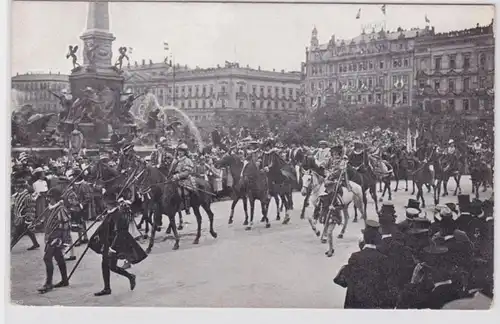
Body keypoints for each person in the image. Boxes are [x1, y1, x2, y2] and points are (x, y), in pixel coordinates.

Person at [90, 189, 146, 296]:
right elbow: (105, 227)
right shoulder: (110, 213)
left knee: (110, 266)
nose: (104, 204)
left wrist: (112, 248)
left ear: (108, 204)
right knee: (107, 265)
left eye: (105, 203)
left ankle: (128, 278)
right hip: (108, 243)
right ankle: (109, 287)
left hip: (115, 245)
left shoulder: (118, 215)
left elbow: (120, 233)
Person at [334, 220, 390, 308]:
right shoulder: (383, 258)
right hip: (374, 304)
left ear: (364, 239)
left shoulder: (355, 257)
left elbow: (344, 281)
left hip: (355, 303)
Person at [38, 188, 71, 294]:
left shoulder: (61, 209)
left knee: (47, 258)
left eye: (50, 197)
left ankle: (48, 283)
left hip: (56, 238)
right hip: (50, 237)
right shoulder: (50, 208)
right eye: (48, 197)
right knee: (59, 257)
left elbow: (66, 225)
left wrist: (64, 240)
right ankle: (64, 280)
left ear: (56, 198)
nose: (48, 199)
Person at [11, 177, 40, 251]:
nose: (15, 188)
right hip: (18, 217)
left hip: (24, 218)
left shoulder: (27, 197)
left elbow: (31, 209)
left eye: (16, 187)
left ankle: (9, 247)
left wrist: (28, 221)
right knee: (28, 231)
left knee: (16, 234)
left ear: (21, 188)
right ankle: (35, 243)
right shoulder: (17, 195)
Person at [170, 143, 196, 215]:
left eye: (182, 151)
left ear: (185, 152)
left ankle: (187, 207)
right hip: (174, 179)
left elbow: (187, 172)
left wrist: (178, 176)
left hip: (185, 179)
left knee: (185, 192)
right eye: (179, 151)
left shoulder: (187, 160)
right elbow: (171, 170)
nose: (180, 153)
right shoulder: (175, 160)